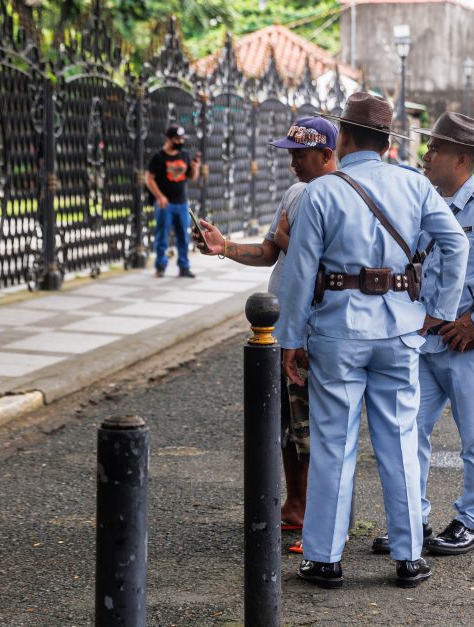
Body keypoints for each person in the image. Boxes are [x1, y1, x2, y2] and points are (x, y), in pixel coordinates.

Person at [277, 92, 469, 589]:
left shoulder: (323, 191)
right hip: (400, 330)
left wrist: (291, 339)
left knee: (333, 443)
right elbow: (456, 242)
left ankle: (324, 558)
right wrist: (439, 312)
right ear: (387, 141)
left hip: (338, 330)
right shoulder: (414, 185)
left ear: (343, 137)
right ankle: (408, 557)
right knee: (401, 441)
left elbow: (299, 273)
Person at [369, 112, 474, 557]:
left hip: (470, 344)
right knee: (410, 430)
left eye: (436, 149)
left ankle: (470, 520)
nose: (427, 155)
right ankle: (413, 520)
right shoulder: (428, 204)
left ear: (462, 159)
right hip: (429, 341)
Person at [192, 117, 337, 538]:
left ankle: (317, 513)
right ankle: (295, 505)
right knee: (288, 425)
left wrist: (296, 243)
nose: (292, 162)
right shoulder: (295, 193)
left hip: (316, 326)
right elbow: (270, 251)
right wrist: (226, 247)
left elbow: (340, 266)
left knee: (312, 426)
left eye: (300, 154)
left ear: (327, 154)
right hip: (282, 325)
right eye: (289, 153)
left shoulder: (342, 196)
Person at [144, 124, 201, 278]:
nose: (181, 141)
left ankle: (184, 266)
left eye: (182, 138)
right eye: (177, 138)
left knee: (183, 235)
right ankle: (160, 266)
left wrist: (195, 167)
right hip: (165, 204)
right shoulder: (158, 157)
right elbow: (148, 179)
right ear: (169, 139)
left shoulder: (184, 155)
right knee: (162, 236)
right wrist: (160, 196)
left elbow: (192, 176)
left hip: (182, 203)